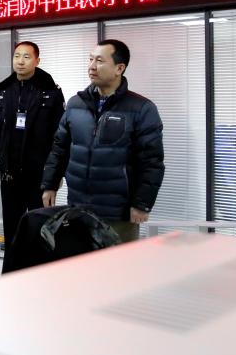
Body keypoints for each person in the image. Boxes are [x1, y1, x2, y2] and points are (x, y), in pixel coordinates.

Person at [41, 39, 165, 242]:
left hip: (118, 213)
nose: (92, 66)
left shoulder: (142, 108)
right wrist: (50, 184)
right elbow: (59, 149)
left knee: (119, 261)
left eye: (99, 61)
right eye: (90, 59)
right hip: (78, 208)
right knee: (81, 259)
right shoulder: (75, 104)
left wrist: (142, 204)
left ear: (119, 68)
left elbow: (152, 162)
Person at [0, 41, 65, 258]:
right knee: (12, 226)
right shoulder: (2, 92)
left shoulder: (51, 93)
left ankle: (39, 270)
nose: (20, 61)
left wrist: (56, 176)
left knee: (40, 226)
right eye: (17, 56)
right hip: (10, 173)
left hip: (40, 175)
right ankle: (12, 268)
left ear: (37, 61)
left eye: (26, 57)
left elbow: (60, 139)